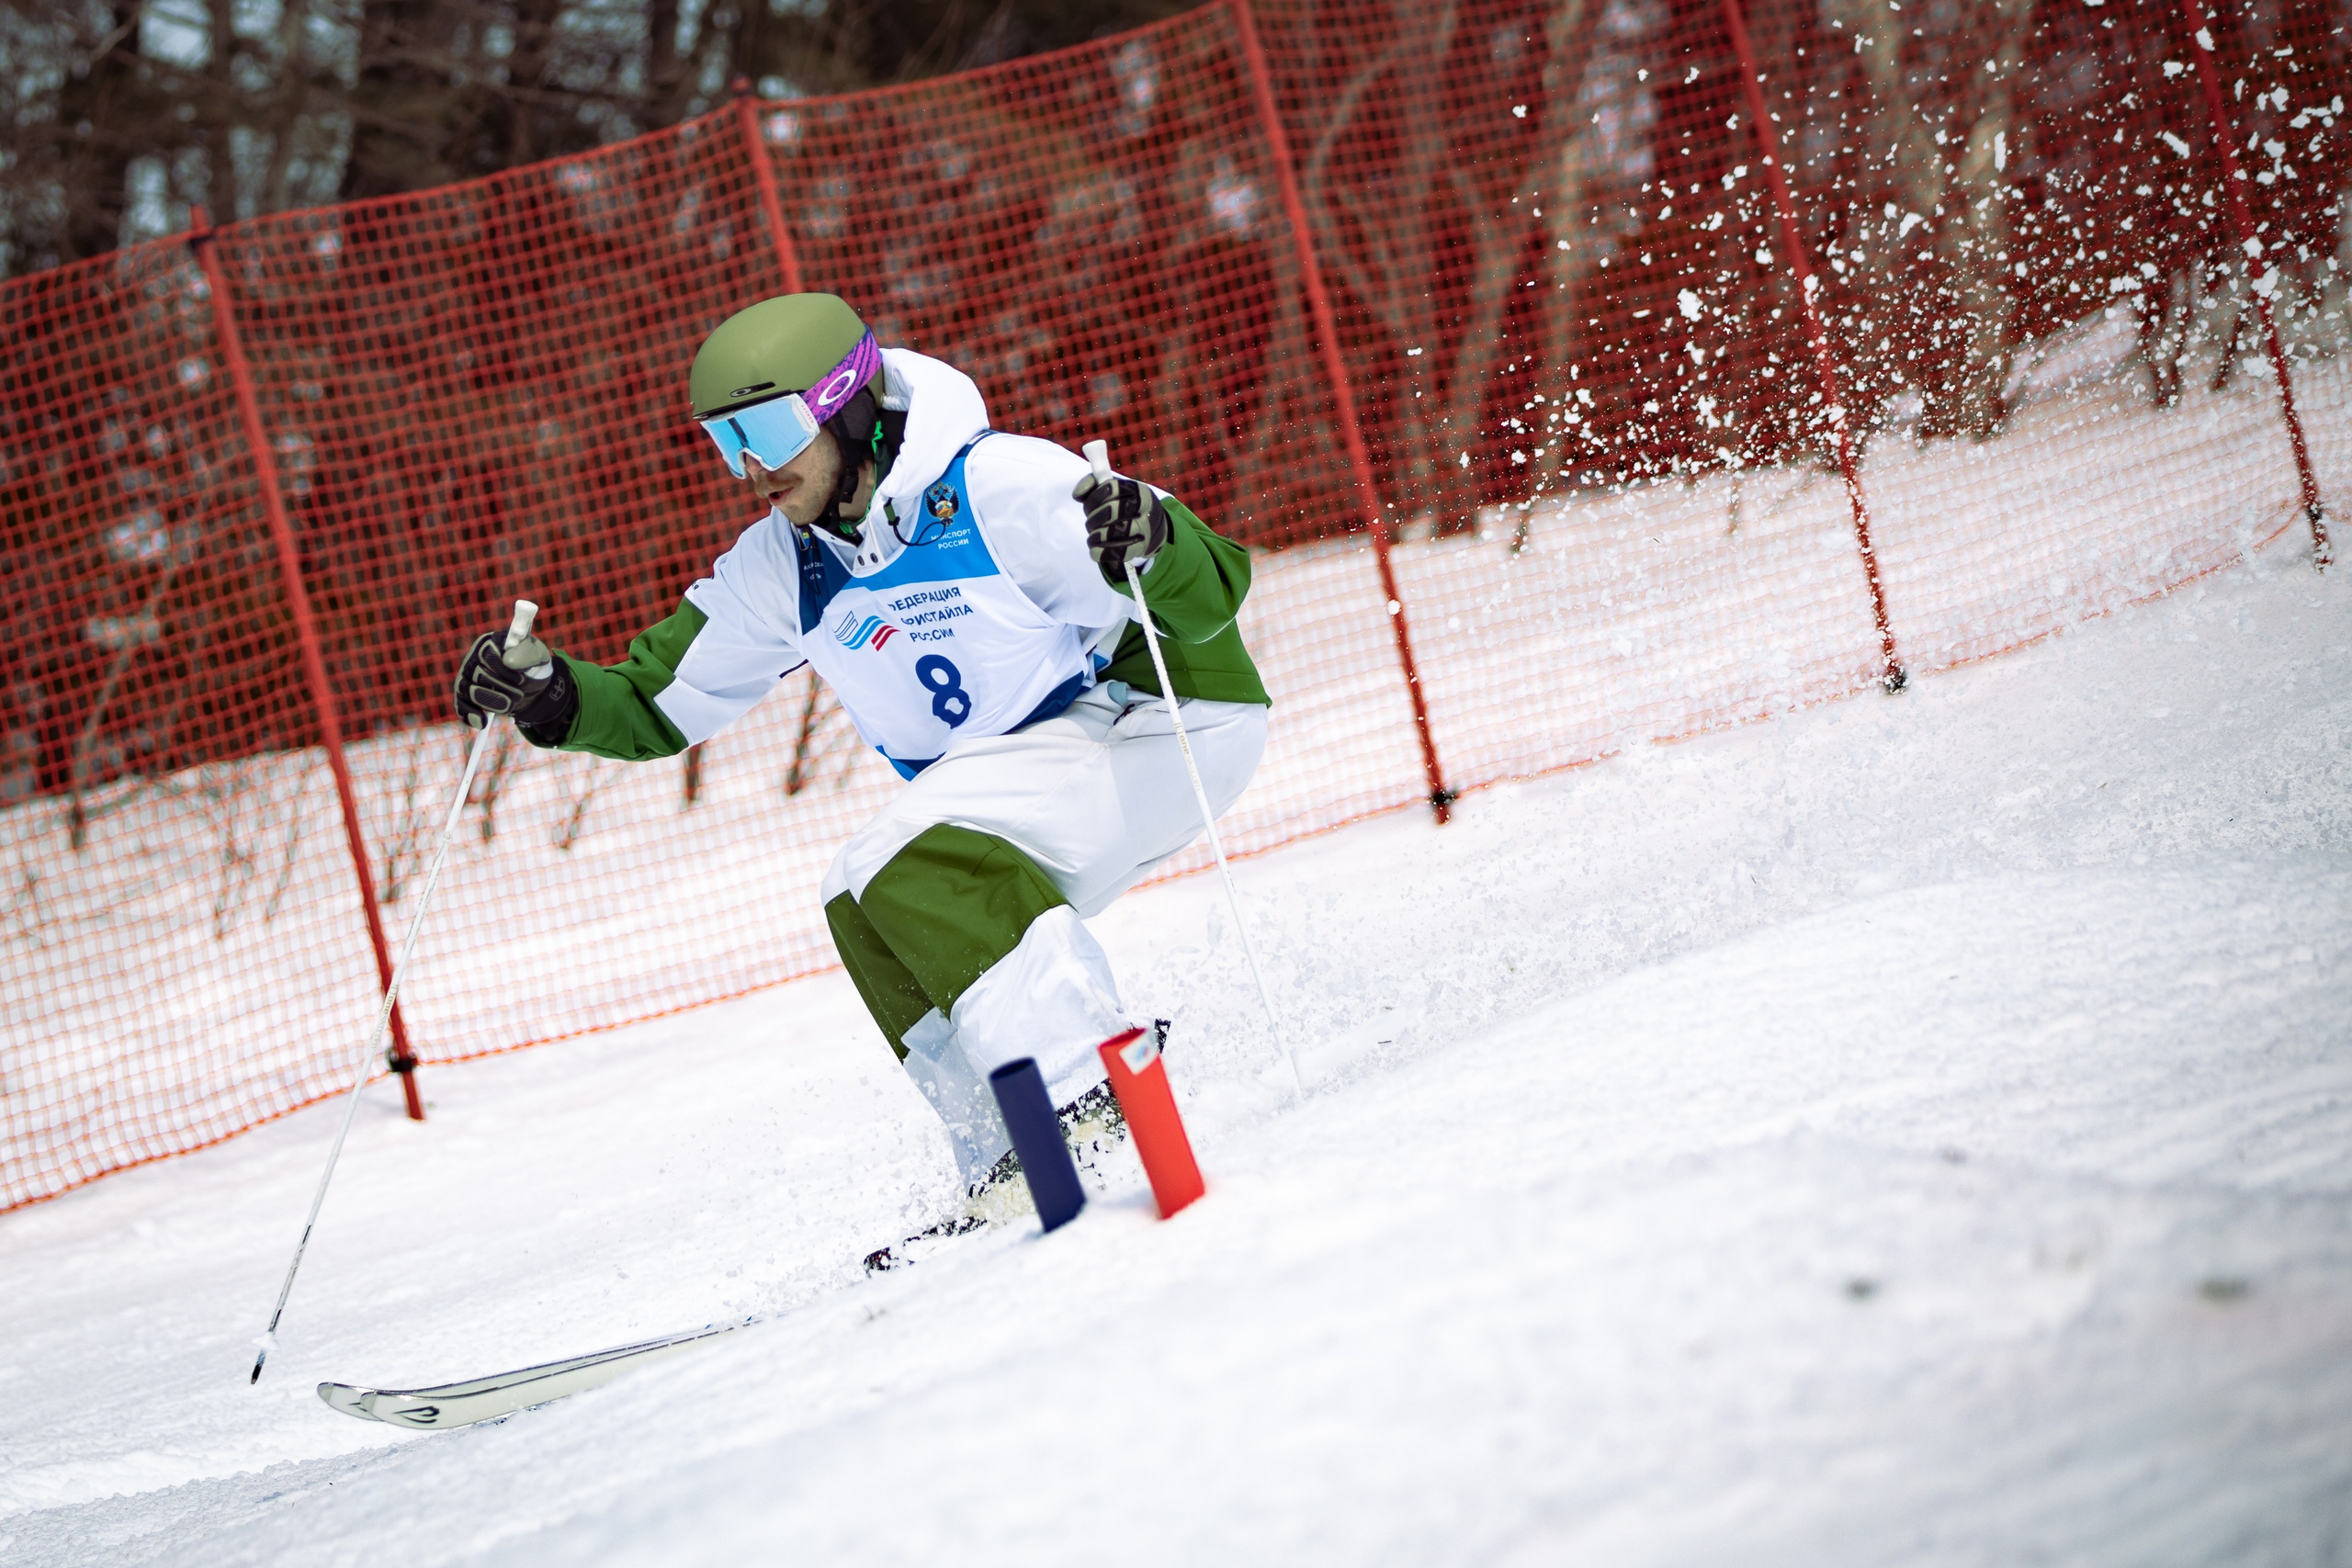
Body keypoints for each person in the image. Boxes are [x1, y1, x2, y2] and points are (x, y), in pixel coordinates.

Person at [451, 292, 1270, 1198]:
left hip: (1160, 712)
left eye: (765, 427)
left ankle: (1088, 1091)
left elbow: (1210, 589)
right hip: (1044, 748)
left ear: (847, 404)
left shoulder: (996, 485)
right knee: (859, 896)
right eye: (726, 441)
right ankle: (1007, 1157)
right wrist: (552, 693)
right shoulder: (786, 562)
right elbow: (657, 699)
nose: (750, 465)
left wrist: (1153, 543)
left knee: (914, 859)